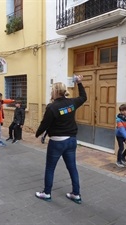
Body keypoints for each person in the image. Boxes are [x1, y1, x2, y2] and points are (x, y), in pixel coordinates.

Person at [35, 75, 87, 204]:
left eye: (52, 89)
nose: (51, 92)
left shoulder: (52, 107)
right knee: (72, 168)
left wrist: (37, 134)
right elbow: (83, 97)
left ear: (56, 91)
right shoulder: (72, 103)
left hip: (57, 142)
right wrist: (79, 83)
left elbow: (44, 124)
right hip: (71, 141)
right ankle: (76, 194)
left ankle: (46, 193)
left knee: (50, 168)